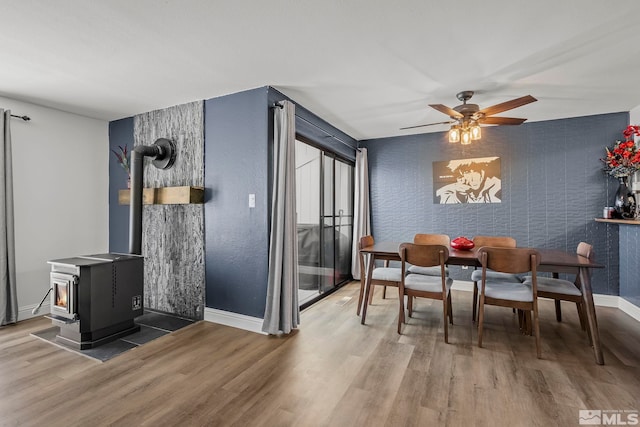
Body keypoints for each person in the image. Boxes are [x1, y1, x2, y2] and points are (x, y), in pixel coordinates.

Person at [436, 157, 501, 203]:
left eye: (476, 171)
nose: (473, 179)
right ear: (461, 173)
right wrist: (459, 196)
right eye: (467, 172)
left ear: (483, 172)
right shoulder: (451, 191)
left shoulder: (496, 186)